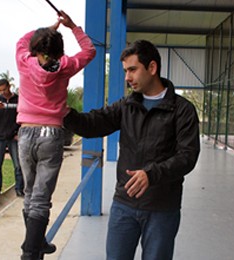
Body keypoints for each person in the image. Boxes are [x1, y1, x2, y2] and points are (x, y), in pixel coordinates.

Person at [63, 40, 200, 260]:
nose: (127, 77)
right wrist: (66, 114)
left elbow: (187, 156)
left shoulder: (182, 110)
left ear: (152, 68)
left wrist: (151, 174)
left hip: (162, 208)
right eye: (126, 71)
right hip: (124, 205)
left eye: (132, 70)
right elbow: (93, 124)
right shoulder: (127, 106)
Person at [15, 10, 96, 260]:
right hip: (51, 134)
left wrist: (50, 30)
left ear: (37, 47)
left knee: (30, 194)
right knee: (41, 198)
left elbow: (22, 41)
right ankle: (31, 253)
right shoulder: (65, 67)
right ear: (59, 51)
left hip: (25, 132)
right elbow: (89, 50)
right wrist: (72, 27)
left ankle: (35, 241)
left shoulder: (24, 60)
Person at [0, 78, 24, 197]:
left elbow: (22, 117)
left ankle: (19, 189)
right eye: (0, 90)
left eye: (4, 89)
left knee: (18, 165)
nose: (3, 92)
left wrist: (17, 132)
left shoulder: (18, 100)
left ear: (9, 86)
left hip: (13, 138)